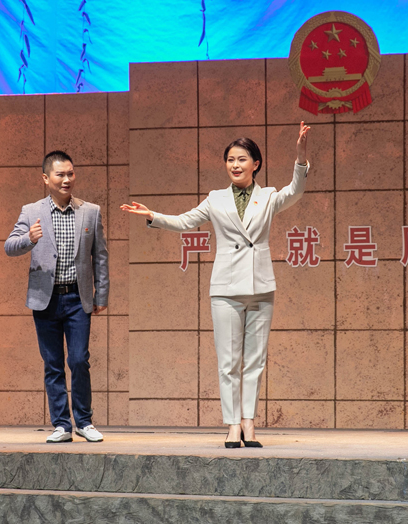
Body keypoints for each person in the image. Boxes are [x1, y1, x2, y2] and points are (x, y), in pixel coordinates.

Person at [121, 122, 311, 448]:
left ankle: (249, 422)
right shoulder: (215, 198)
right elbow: (185, 221)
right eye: (230, 160)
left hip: (261, 286)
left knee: (255, 361)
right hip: (225, 288)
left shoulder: (268, 196)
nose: (235, 165)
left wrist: (300, 156)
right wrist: (153, 215)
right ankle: (233, 425)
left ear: (256, 164)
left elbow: (295, 190)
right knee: (228, 362)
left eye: (242, 159)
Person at [5, 150, 109, 443]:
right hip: (45, 299)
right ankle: (62, 425)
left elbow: (100, 256)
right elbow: (10, 246)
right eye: (60, 174)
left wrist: (101, 294)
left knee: (79, 360)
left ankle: (84, 422)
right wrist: (29, 239)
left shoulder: (90, 211)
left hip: (77, 298)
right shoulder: (31, 211)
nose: (66, 179)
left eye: (70, 173)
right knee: (53, 363)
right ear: (45, 178)